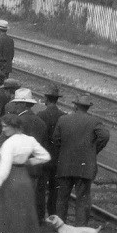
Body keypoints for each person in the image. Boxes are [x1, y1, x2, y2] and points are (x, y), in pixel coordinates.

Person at [0, 114, 50, 233]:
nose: (3, 130)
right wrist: (31, 161)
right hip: (24, 178)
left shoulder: (8, 144)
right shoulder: (30, 140)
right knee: (22, 215)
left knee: (4, 214)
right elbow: (46, 156)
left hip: (10, 180)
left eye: (5, 126)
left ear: (14, 126)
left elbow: (3, 169)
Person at [52, 95, 109, 226]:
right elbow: (105, 135)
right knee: (82, 198)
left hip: (65, 165)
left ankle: (59, 225)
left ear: (75, 106)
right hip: (84, 167)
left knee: (62, 198)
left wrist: (64, 150)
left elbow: (56, 139)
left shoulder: (63, 119)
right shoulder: (94, 121)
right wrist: (94, 150)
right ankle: (80, 227)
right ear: (87, 108)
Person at [36, 85, 67, 219]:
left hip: (43, 156)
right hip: (57, 157)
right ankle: (53, 216)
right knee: (55, 189)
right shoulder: (63, 116)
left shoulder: (40, 115)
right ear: (57, 100)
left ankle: (40, 215)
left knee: (40, 188)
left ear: (46, 99)